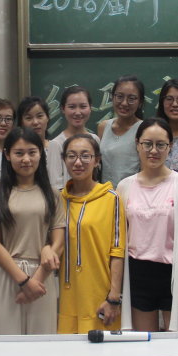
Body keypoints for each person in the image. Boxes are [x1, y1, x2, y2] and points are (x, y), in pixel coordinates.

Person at [117, 118, 178, 332]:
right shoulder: (124, 187)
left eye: (161, 144)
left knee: (176, 344)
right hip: (138, 272)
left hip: (174, 272)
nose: (153, 150)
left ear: (170, 147)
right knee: (144, 343)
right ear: (137, 144)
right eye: (147, 144)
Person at [0, 128, 65, 335]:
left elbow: (59, 243)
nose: (26, 159)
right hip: (7, 274)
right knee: (5, 343)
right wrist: (24, 281)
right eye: (19, 153)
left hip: (43, 275)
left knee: (41, 345)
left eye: (32, 152)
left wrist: (36, 280)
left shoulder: (52, 194)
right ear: (7, 155)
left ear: (41, 154)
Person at [58, 134, 126, 334]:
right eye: (71, 156)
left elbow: (117, 251)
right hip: (64, 295)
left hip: (98, 295)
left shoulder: (111, 199)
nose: (78, 162)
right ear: (64, 160)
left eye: (85, 156)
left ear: (97, 160)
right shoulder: (58, 199)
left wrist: (114, 298)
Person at [97, 75, 144, 188]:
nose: (124, 103)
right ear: (112, 97)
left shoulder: (144, 129)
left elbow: (146, 168)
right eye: (119, 96)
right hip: (105, 193)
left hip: (132, 193)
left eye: (131, 98)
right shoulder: (103, 127)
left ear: (140, 102)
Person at [48, 86, 94, 191]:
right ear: (63, 109)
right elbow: (55, 186)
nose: (77, 112)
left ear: (90, 108)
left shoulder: (95, 140)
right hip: (68, 199)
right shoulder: (56, 144)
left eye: (83, 106)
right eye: (72, 107)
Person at [17, 96, 56, 190]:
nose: (35, 122)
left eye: (40, 116)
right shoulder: (17, 151)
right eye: (28, 118)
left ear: (47, 118)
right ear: (21, 122)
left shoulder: (56, 147)